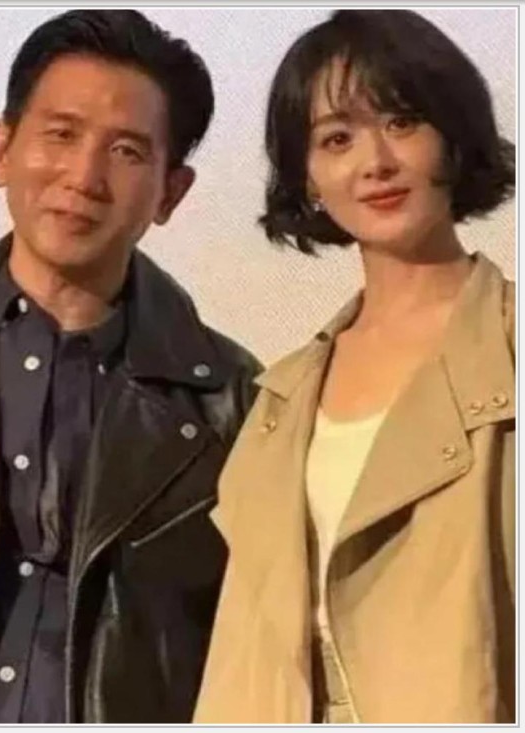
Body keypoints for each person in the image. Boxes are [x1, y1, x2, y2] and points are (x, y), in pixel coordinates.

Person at [0, 9, 261, 724]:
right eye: (61, 133)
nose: (84, 176)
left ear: (171, 192)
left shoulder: (236, 401)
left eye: (126, 151)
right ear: (1, 149)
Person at [194, 9, 515, 725]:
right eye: (337, 138)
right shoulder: (280, 396)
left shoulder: (509, 347)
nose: (375, 162)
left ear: (453, 137)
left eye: (402, 121)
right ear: (308, 177)